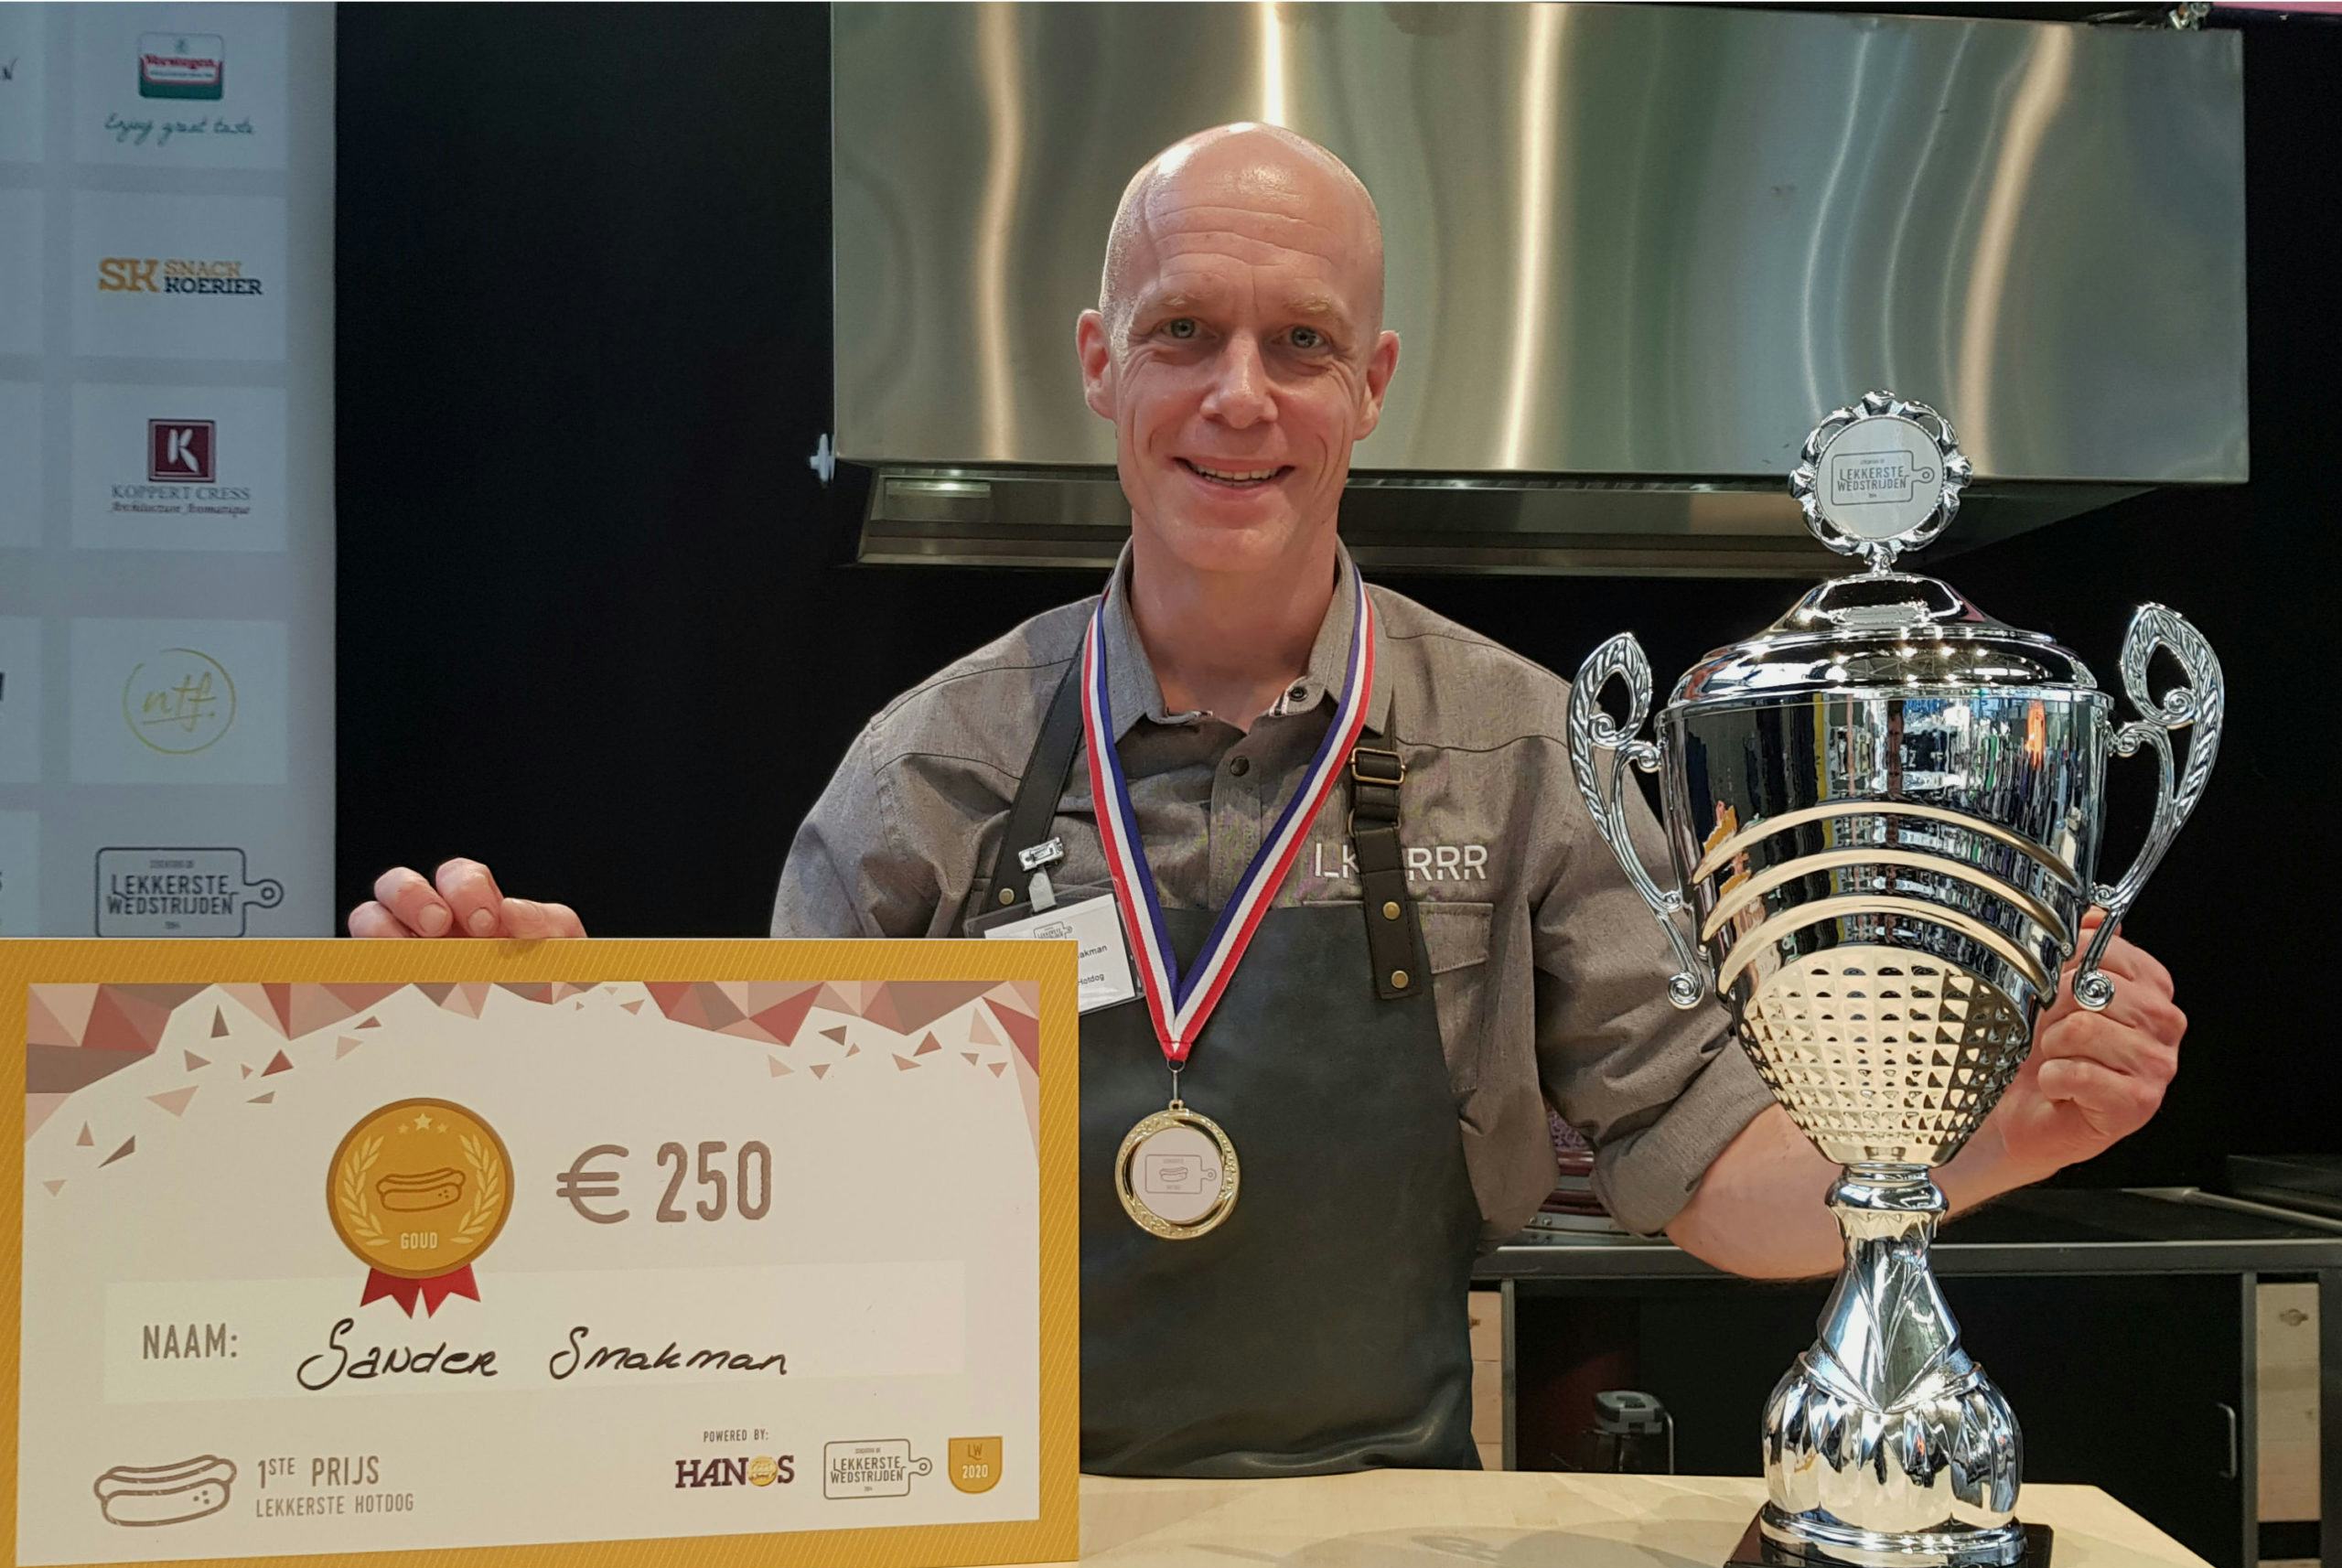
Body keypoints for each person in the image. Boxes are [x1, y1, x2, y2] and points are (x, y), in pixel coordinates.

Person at [353, 124, 2186, 1476]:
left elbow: (1713, 1179)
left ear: (1369, 386)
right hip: (984, 1532)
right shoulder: (932, 768)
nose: (1240, 396)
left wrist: (1978, 1137)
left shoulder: (1524, 753)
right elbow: (768, 1205)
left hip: (1383, 1564)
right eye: (1182, 332)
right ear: (1100, 362)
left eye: (1300, 343)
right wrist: (578, 1053)